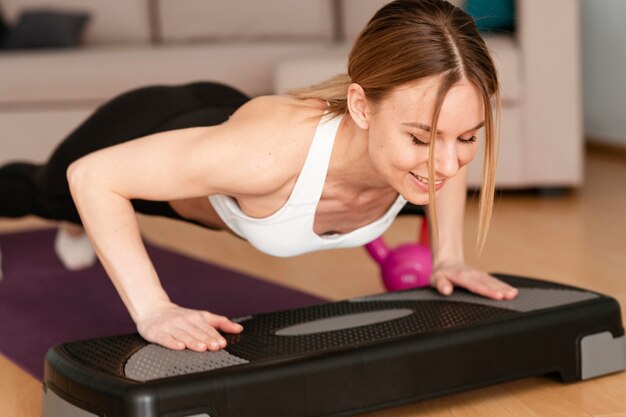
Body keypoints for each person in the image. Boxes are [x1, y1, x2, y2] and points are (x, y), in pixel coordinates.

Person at [0, 0, 518, 353]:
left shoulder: (425, 147)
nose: (448, 165)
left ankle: (86, 222)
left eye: (467, 139)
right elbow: (93, 174)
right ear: (361, 107)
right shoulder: (268, 156)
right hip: (156, 121)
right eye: (423, 140)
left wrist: (448, 258)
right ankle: (76, 219)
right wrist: (154, 310)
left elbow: (442, 168)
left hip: (223, 128)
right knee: (49, 191)